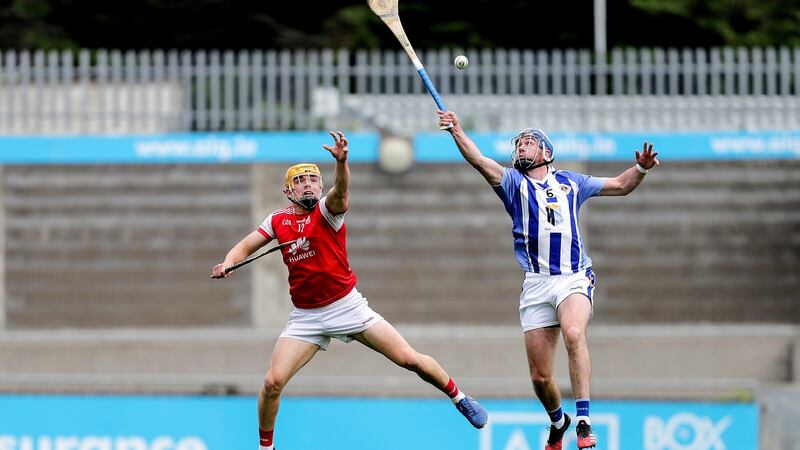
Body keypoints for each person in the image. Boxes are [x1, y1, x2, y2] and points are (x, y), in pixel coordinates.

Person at [211, 130, 488, 450]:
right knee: (272, 382)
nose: (307, 185)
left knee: (409, 359)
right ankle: (265, 447)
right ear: (288, 190)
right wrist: (228, 262)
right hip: (307, 317)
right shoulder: (278, 221)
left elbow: (341, 192)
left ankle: (459, 398)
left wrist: (342, 162)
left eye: (312, 180)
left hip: (347, 306)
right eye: (299, 181)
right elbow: (246, 245)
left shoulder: (328, 212)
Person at [437, 111, 659, 450]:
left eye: (529, 143)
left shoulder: (571, 182)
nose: (522, 148)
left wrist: (641, 168)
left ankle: (583, 421)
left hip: (573, 277)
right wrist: (457, 130)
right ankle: (559, 421)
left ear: (547, 153)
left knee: (573, 332)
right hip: (536, 284)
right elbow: (479, 160)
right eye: (519, 144)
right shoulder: (513, 183)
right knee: (540, 378)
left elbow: (621, 184)